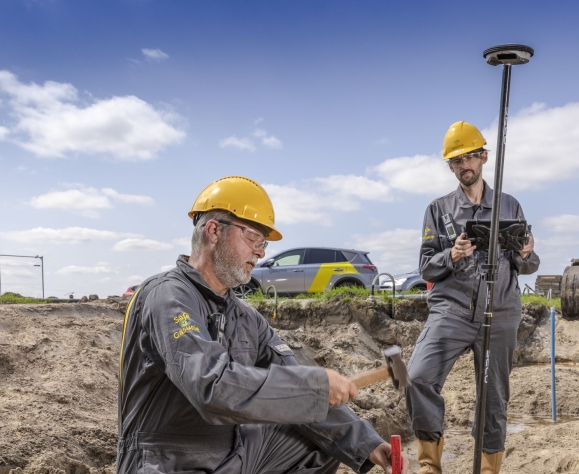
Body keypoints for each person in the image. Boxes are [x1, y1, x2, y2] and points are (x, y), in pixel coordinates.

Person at [116, 176, 406, 474]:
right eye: (253, 238)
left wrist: (366, 443)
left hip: (230, 452)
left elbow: (290, 375)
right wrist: (312, 387)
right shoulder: (167, 295)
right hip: (167, 458)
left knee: (318, 440)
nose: (261, 252)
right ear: (214, 231)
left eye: (263, 243)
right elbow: (210, 386)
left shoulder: (245, 317)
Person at [405, 122, 540, 474]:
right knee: (418, 377)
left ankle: (488, 468)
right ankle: (430, 465)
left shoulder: (509, 205)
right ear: (450, 167)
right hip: (452, 309)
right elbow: (425, 267)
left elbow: (527, 265)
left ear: (483, 157)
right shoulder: (438, 209)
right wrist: (451, 255)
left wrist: (526, 253)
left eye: (469, 157)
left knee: (494, 398)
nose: (464, 165)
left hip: (501, 311)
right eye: (456, 161)